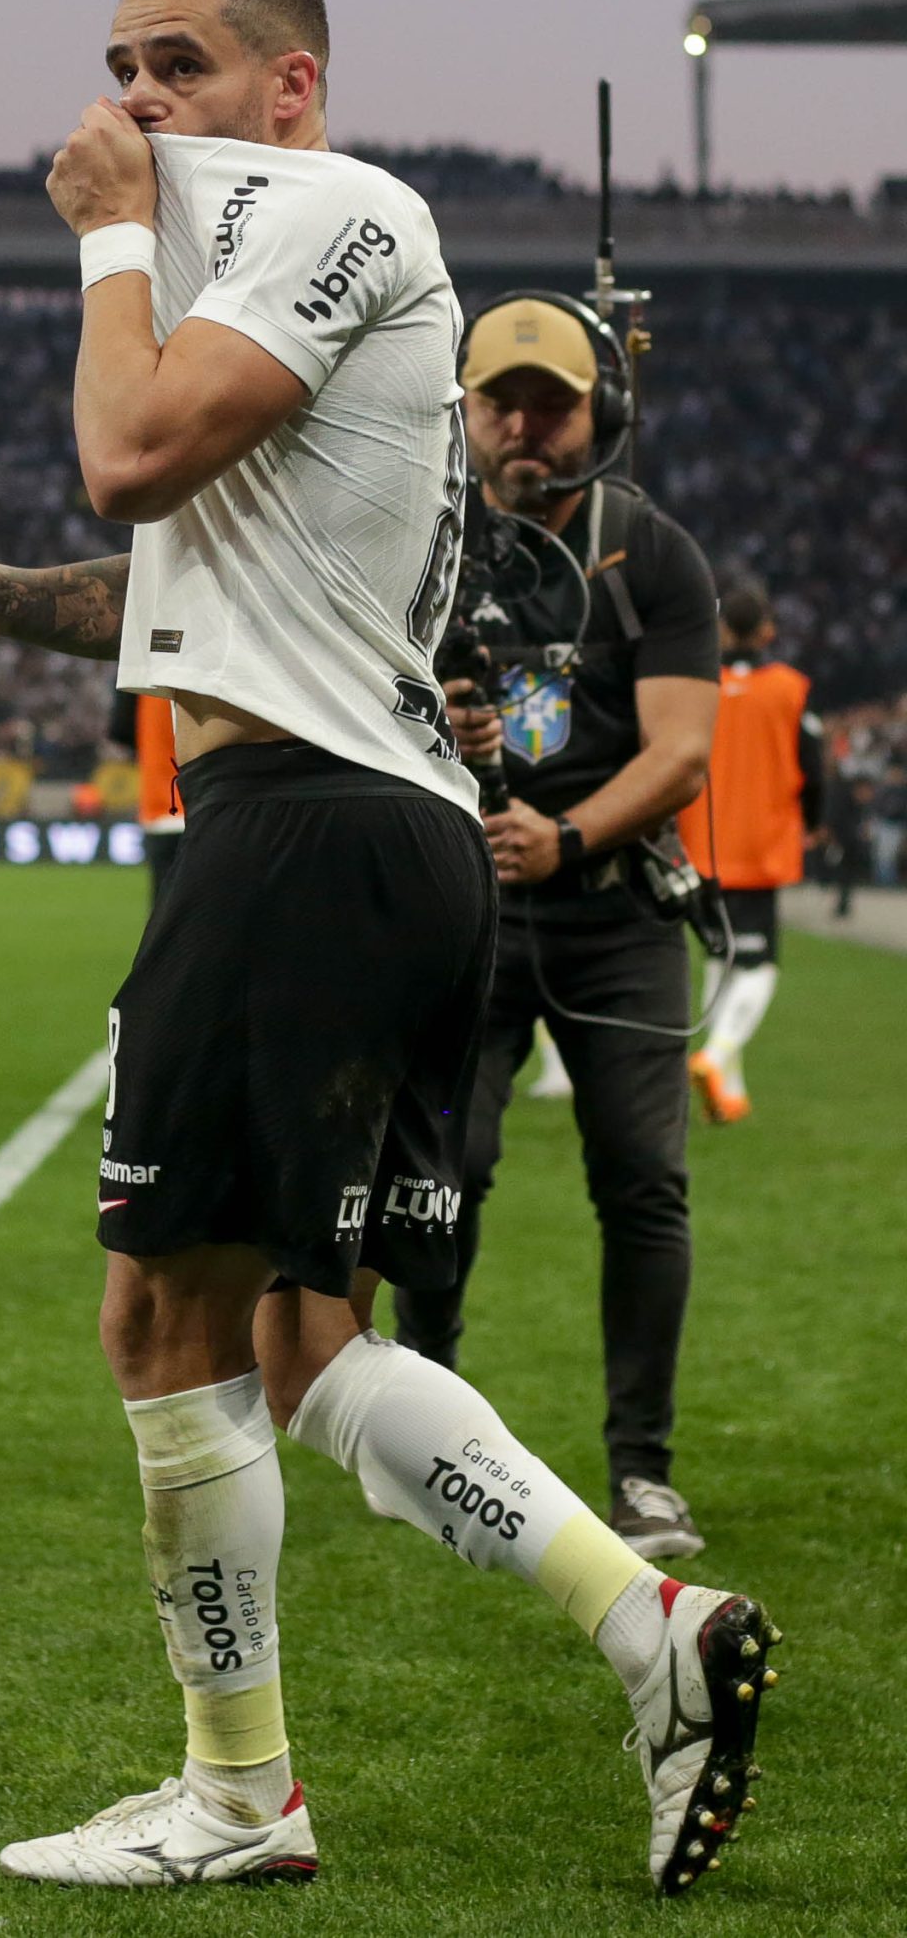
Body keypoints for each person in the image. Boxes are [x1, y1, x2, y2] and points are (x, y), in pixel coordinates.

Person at [0, 0, 777, 1897]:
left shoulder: (334, 211)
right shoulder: (278, 297)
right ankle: (651, 1629)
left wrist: (99, 238)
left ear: (287, 85)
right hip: (358, 831)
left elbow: (126, 447)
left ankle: (237, 1795)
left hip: (301, 832)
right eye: (118, 62)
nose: (137, 99)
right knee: (305, 1345)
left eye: (182, 64)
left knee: (156, 1314)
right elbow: (161, 586)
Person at [396, 301, 722, 1561]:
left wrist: (567, 834)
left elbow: (682, 750)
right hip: (459, 912)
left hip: (613, 907)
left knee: (641, 1179)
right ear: (463, 411)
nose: (525, 426)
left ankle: (641, 1472)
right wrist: (445, 731)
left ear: (603, 412)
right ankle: (426, 1436)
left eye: (554, 402)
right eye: (500, 400)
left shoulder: (654, 552)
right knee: (439, 1172)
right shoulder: (421, 543)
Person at [680, 584, 823, 1122]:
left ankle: (728, 1094)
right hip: (759, 849)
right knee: (759, 968)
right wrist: (813, 823)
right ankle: (716, 1058)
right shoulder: (790, 689)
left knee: (720, 961)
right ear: (767, 631)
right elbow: (813, 769)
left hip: (702, 846)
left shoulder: (699, 684)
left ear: (721, 630)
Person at [105, 686, 184, 908]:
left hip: (162, 805)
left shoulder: (141, 661)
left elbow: (120, 729)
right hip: (213, 804)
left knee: (166, 912)